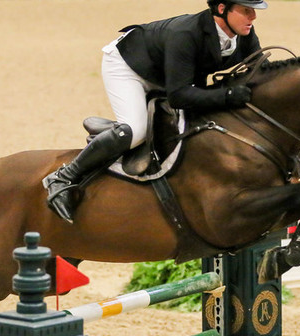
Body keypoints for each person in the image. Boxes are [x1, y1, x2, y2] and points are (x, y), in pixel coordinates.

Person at [43, 0, 268, 223]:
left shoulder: (244, 32)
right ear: (222, 8)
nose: (253, 17)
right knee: (135, 131)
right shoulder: (186, 33)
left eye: (253, 11)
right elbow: (179, 96)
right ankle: (63, 177)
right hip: (129, 67)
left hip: (168, 74)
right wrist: (227, 96)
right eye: (246, 11)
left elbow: (259, 72)